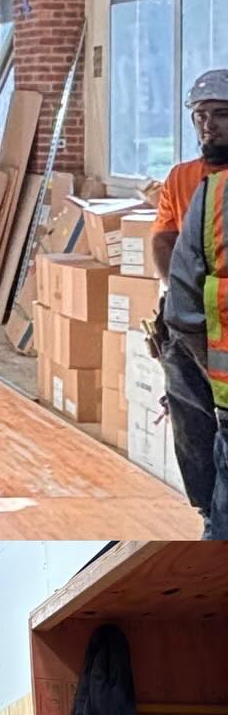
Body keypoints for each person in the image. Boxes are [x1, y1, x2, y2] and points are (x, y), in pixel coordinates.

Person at [152, 69, 228, 535]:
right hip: (188, 329)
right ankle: (208, 516)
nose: (208, 126)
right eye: (201, 116)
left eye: (220, 115)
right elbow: (163, 238)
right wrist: (172, 295)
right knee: (195, 432)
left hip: (218, 335)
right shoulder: (184, 178)